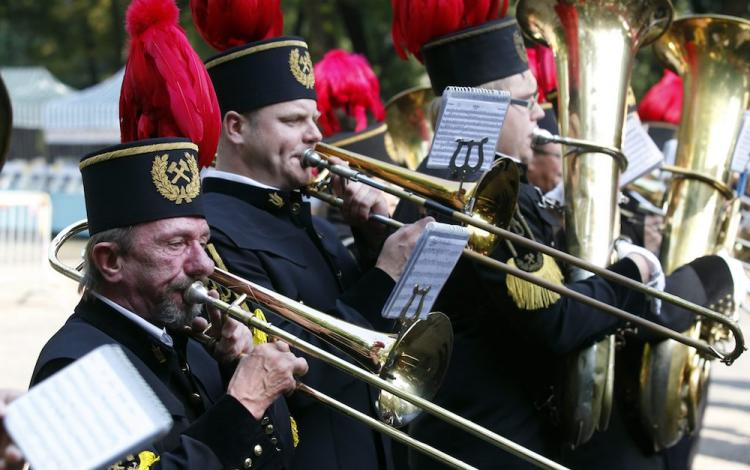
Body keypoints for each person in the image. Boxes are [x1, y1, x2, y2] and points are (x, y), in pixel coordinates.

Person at [389, 9, 743, 468]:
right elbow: (555, 319)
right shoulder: (476, 191)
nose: (541, 114)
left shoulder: (475, 183)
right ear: (485, 107)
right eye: (527, 100)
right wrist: (636, 271)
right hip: (493, 446)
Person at [189, 2, 430, 468]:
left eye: (314, 119)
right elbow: (288, 369)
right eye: (293, 121)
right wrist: (383, 277)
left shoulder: (310, 220)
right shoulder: (213, 229)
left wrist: (370, 236)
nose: (316, 134)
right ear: (236, 128)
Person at [30, 137, 307, 470]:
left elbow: (280, 458)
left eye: (203, 242)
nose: (204, 265)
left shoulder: (190, 342)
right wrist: (243, 403)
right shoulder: (70, 368)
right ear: (111, 261)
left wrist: (235, 364)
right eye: (176, 244)